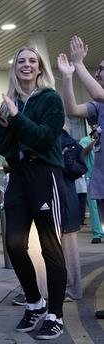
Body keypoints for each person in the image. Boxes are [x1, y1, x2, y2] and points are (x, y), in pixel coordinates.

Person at [0, 46, 67, 340]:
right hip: (19, 175)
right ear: (15, 69)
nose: (26, 65)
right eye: (20, 61)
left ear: (40, 68)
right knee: (13, 244)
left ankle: (55, 313)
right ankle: (35, 302)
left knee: (50, 247)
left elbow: (43, 138)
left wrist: (15, 117)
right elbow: (7, 149)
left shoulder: (50, 99)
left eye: (31, 61)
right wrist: (3, 126)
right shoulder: (13, 103)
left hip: (45, 174)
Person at [58, 35, 104, 319]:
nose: (97, 73)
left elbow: (99, 93)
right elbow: (73, 110)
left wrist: (79, 63)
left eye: (101, 69)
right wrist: (67, 77)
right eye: (96, 69)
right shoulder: (99, 107)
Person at [60, 128, 84, 301]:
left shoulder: (68, 142)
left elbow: (79, 169)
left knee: (69, 249)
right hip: (55, 200)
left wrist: (64, 157)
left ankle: (73, 289)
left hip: (66, 200)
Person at [78, 127, 104, 244]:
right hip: (92, 178)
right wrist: (94, 141)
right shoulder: (85, 140)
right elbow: (82, 153)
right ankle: (98, 234)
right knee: (94, 208)